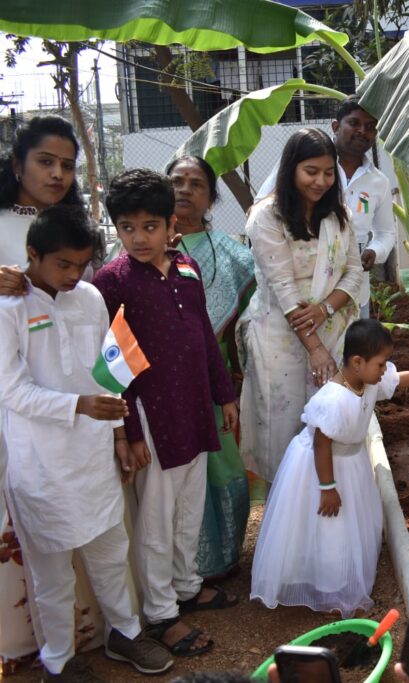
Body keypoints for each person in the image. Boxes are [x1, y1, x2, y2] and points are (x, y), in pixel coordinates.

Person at [0, 204, 173, 681]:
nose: (74, 275)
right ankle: (58, 659)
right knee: (52, 574)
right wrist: (79, 406)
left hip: (93, 454)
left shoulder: (92, 298)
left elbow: (108, 372)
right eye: (63, 265)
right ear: (32, 255)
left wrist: (118, 434)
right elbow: (11, 391)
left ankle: (126, 634)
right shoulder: (9, 309)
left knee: (109, 553)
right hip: (41, 464)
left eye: (81, 264)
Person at [92, 169, 240, 658]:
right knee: (156, 520)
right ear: (116, 227)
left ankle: (186, 585)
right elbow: (112, 367)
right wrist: (128, 431)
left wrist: (225, 396)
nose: (138, 237)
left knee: (189, 509)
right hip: (151, 417)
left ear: (170, 223)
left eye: (150, 226)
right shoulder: (110, 282)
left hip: (195, 410)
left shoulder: (187, 268)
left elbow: (204, 337)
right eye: (127, 227)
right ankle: (160, 614)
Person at [251, 319, 409, 614]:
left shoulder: (368, 382)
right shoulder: (333, 399)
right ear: (356, 362)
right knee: (327, 522)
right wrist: (327, 488)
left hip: (350, 463)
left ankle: (339, 580)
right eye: (381, 364)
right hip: (319, 469)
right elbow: (321, 444)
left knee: (346, 522)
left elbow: (402, 378)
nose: (385, 369)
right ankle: (321, 582)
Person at [0, 115, 108, 672]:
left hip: (80, 423)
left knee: (93, 530)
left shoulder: (76, 229)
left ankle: (90, 637)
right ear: (17, 163)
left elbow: (94, 312)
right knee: (32, 533)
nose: (58, 173)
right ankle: (30, 650)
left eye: (68, 164)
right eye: (46, 161)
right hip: (16, 411)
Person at [239, 128, 364, 484]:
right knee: (285, 429)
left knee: (330, 423)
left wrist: (325, 308)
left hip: (331, 329)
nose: (321, 181)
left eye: (328, 172)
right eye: (311, 171)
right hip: (280, 338)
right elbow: (282, 286)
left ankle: (329, 502)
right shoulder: (266, 217)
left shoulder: (339, 216)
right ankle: (288, 509)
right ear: (291, 168)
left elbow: (354, 274)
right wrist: (315, 348)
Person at [167, 156, 256, 580]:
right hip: (161, 383)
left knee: (225, 467)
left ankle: (222, 561)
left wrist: (237, 379)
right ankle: (179, 570)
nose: (184, 189)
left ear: (209, 197)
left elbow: (247, 321)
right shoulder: (139, 249)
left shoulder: (235, 257)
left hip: (215, 379)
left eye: (196, 183)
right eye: (176, 181)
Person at [255, 98, 396, 318]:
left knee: (351, 350)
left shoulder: (379, 182)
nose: (362, 131)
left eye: (370, 127)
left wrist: (374, 251)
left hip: (351, 290)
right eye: (354, 123)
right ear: (336, 126)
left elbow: (386, 233)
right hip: (301, 286)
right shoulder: (305, 160)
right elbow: (263, 204)